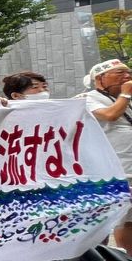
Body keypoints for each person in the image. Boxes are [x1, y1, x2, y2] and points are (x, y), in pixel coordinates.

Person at [77, 59, 132, 250]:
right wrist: (126, 93)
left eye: (128, 73)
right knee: (123, 219)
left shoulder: (127, 99)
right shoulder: (87, 97)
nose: (127, 77)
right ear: (100, 78)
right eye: (119, 73)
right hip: (117, 169)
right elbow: (110, 115)